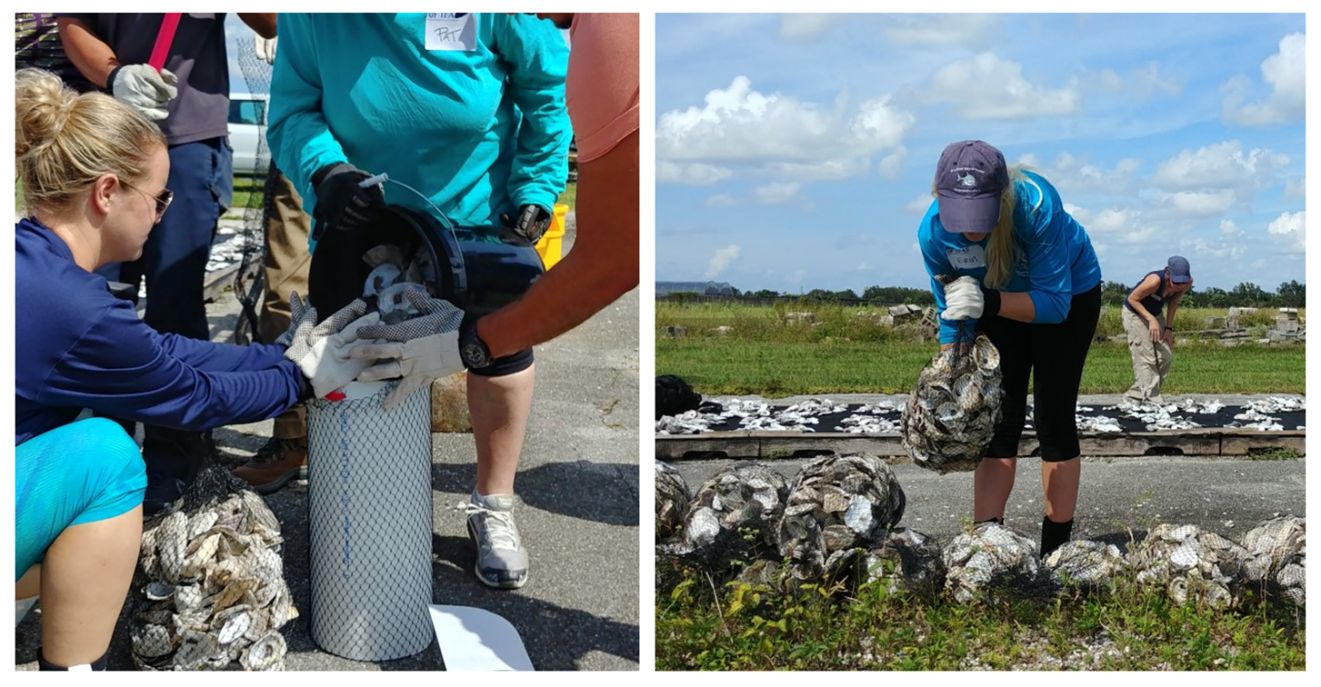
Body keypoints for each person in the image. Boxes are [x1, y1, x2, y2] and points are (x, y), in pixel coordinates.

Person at [14, 69, 362, 670]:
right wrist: (305, 378)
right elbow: (191, 396)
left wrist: (281, 356)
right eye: (157, 199)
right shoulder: (74, 307)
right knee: (108, 455)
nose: (159, 216)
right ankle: (69, 672)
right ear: (106, 192)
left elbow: (166, 353)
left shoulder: (35, 261)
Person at [266, 13, 573, 590]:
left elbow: (546, 92)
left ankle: (494, 503)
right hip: (362, 220)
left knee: (500, 355)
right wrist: (325, 170)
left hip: (478, 222)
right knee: (360, 363)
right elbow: (290, 113)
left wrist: (536, 185)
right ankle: (369, 514)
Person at [57, 12, 279, 512]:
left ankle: (175, 464)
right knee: (90, 307)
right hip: (104, 140)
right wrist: (115, 75)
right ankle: (99, 465)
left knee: (174, 308)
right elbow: (73, 22)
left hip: (187, 143)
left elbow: (271, 22)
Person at [918, 140, 1102, 557]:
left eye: (981, 216)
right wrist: (954, 368)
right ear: (939, 200)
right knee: (997, 418)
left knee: (1054, 419)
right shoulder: (933, 234)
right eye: (961, 218)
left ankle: (1055, 553)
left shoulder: (1036, 206)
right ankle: (986, 548)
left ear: (1001, 197)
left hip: (1067, 299)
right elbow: (952, 315)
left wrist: (990, 302)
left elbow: (1055, 305)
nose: (972, 230)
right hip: (994, 301)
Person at [1123, 256, 1193, 403]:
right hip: (1135, 313)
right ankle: (1152, 399)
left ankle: (1136, 394)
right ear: (1168, 274)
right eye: (1176, 282)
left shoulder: (1187, 283)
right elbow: (1132, 299)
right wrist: (1150, 319)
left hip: (1155, 314)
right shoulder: (1154, 281)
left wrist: (1168, 328)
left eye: (1183, 282)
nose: (1179, 286)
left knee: (1165, 356)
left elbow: (1174, 302)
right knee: (1146, 355)